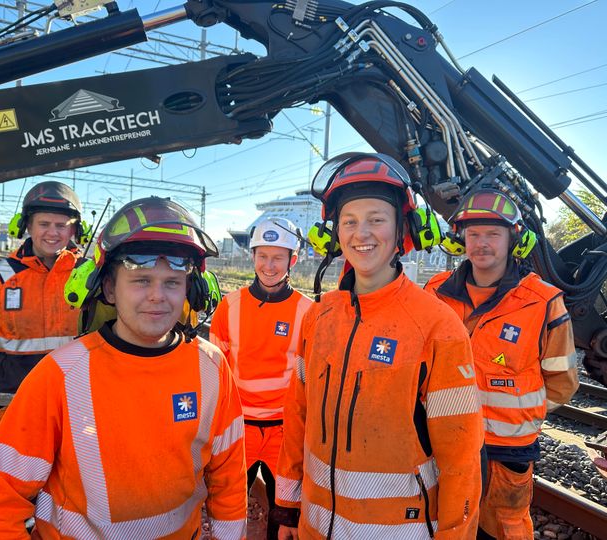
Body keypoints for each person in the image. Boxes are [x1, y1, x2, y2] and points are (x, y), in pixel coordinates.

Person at [0, 196, 247, 539]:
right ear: (109, 289)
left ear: (194, 290)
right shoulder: (60, 374)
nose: (158, 295)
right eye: (141, 280)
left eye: (172, 282)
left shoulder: (212, 366)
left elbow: (229, 474)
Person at [274, 153, 484, 539]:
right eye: (349, 221)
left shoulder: (437, 326)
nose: (361, 233)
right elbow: (297, 416)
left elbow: (461, 458)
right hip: (315, 526)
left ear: (403, 228)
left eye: (376, 219)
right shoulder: (318, 317)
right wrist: (288, 507)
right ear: (334, 234)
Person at [424, 187, 579, 540]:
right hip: (443, 441)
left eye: (493, 234)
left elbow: (562, 380)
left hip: (506, 449)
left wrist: (520, 416)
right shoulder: (434, 294)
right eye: (473, 234)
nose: (481, 243)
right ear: (460, 239)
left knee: (503, 530)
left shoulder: (542, 302)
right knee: (443, 525)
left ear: (514, 240)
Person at [210, 217, 312, 540]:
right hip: (239, 429)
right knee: (228, 508)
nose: (269, 265)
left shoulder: (308, 312)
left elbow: (309, 380)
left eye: (278, 257)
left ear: (292, 260)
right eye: (263, 256)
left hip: (284, 432)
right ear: (252, 257)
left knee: (283, 513)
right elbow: (216, 372)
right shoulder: (229, 307)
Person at [0, 180, 85, 439]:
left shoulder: (87, 275)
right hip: (14, 395)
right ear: (26, 225)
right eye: (44, 224)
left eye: (61, 225)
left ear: (74, 229)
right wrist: (3, 364)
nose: (53, 233)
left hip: (75, 395)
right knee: (13, 471)